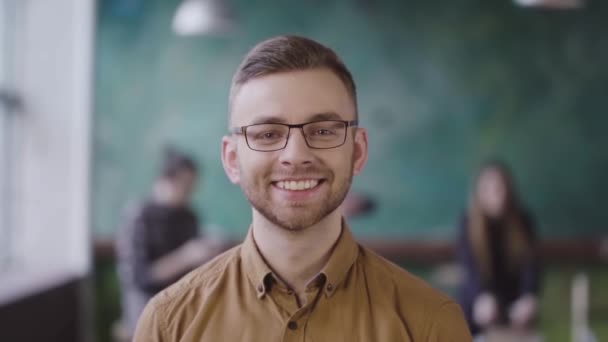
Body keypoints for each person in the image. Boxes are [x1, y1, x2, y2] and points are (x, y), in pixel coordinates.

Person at [134, 35, 471, 341]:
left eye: (323, 131)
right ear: (232, 159)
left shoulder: (431, 325)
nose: (296, 156)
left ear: (357, 151)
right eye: (267, 134)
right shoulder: (169, 324)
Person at [116, 148, 222, 337]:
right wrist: (186, 256)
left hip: (184, 314)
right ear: (167, 180)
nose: (190, 191)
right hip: (144, 316)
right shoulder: (139, 216)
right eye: (186, 185)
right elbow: (139, 277)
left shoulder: (189, 216)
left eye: (192, 186)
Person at [457, 160, 541, 337]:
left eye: (500, 187)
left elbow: (531, 266)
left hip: (514, 313)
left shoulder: (523, 222)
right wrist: (481, 297)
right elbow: (470, 268)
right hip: (477, 314)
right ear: (479, 193)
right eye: (489, 188)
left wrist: (528, 296)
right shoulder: (468, 223)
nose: (497, 194)